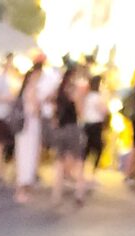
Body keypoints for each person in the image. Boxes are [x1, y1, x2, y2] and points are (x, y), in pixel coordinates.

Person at [51, 62, 87, 206]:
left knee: (59, 162)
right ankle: (79, 192)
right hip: (72, 128)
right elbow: (80, 111)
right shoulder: (75, 90)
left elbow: (54, 111)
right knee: (78, 161)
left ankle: (56, 194)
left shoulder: (59, 90)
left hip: (60, 129)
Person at [14, 54, 48, 203]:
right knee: (28, 155)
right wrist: (41, 105)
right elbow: (34, 109)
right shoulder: (32, 90)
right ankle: (22, 189)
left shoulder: (26, 89)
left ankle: (23, 187)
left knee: (24, 155)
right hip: (30, 125)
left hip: (26, 126)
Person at [83, 72, 109, 180]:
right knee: (97, 148)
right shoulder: (97, 97)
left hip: (87, 123)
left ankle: (82, 170)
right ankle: (93, 172)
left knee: (87, 148)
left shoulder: (88, 96)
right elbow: (104, 110)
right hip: (95, 124)